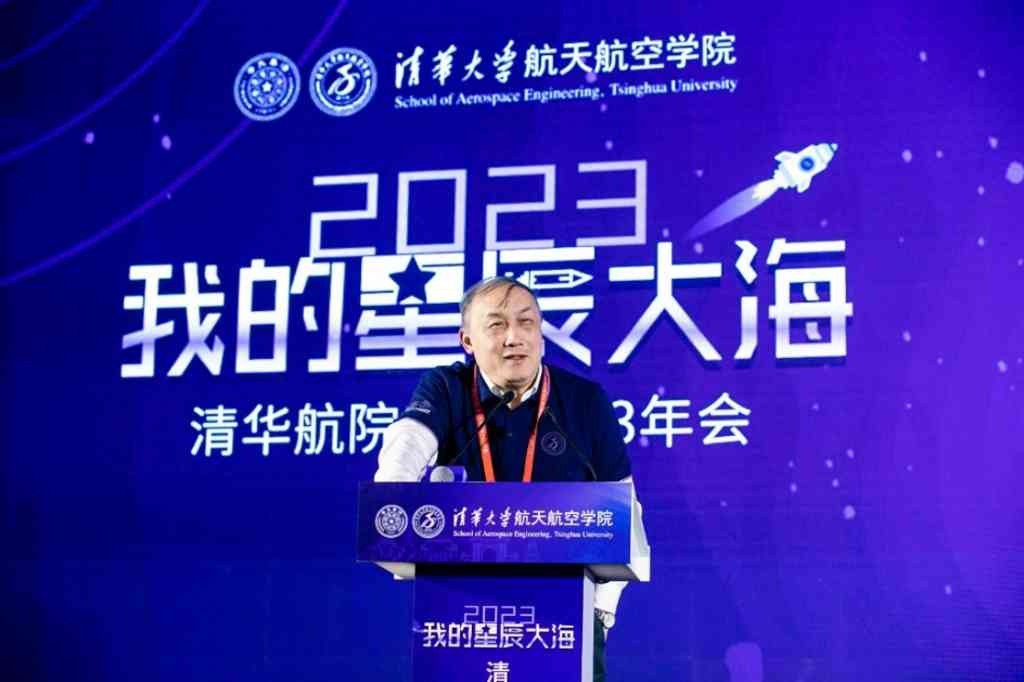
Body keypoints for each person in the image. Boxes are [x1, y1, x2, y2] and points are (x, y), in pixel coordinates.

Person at [375, 276, 644, 681]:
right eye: (497, 325)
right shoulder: (447, 387)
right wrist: (392, 497)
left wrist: (601, 610)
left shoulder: (585, 401)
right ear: (467, 341)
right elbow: (409, 441)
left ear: (541, 335)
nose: (514, 338)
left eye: (526, 323)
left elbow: (625, 507)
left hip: (563, 619)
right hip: (465, 614)